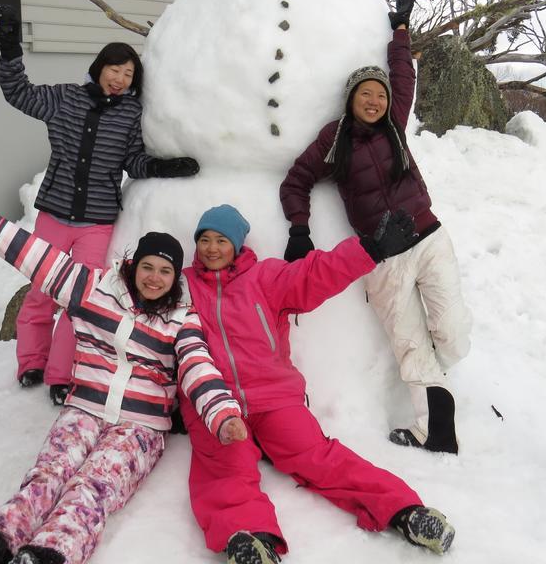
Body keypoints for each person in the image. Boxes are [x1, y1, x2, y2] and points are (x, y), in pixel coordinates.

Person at [0, 209, 247, 564]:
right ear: (134, 265)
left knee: (92, 488)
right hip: (85, 409)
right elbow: (40, 260)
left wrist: (224, 414)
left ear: (175, 277)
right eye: (148, 267)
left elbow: (198, 368)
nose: (155, 278)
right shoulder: (94, 289)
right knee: (49, 473)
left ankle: (47, 555)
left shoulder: (182, 319)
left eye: (165, 270)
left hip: (140, 428)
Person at [181, 203, 456, 563]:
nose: (212, 248)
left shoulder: (265, 278)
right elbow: (144, 286)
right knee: (224, 468)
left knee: (318, 456)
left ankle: (405, 511)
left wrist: (370, 250)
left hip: (274, 397)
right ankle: (249, 540)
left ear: (237, 245)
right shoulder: (183, 285)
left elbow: (315, 274)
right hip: (212, 404)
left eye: (221, 240)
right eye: (204, 240)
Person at [279, 0, 471, 454]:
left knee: (452, 333)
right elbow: (296, 181)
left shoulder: (394, 128)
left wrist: (400, 32)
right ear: (351, 99)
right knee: (409, 343)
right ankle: (435, 431)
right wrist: (299, 229)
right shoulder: (335, 138)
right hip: (383, 253)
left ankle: (439, 387)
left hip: (427, 237)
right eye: (365, 93)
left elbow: (404, 76)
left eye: (380, 95)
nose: (374, 100)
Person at [0, 5, 199, 406]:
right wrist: (9, 50)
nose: (120, 79)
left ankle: (61, 374)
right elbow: (17, 92)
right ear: (100, 67)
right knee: (39, 294)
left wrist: (163, 167)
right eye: (115, 69)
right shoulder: (63, 99)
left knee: (77, 299)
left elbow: (133, 161)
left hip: (96, 221)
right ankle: (31, 363)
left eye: (128, 74)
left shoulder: (129, 114)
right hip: (53, 215)